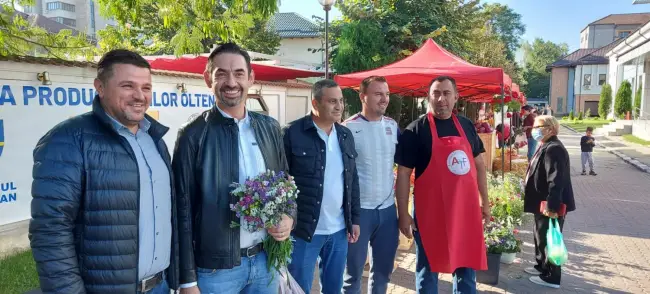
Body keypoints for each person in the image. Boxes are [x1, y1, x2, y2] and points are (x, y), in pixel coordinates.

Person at [29, 49, 179, 293]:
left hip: (160, 286)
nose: (139, 96)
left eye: (146, 87)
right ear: (100, 87)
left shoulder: (154, 139)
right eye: (128, 86)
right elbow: (50, 231)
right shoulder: (68, 139)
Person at [173, 43, 292, 294]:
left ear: (251, 78)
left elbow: (286, 184)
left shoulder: (269, 128)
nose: (231, 82)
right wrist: (187, 280)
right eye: (221, 74)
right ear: (208, 79)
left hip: (265, 262)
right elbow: (180, 211)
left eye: (238, 73)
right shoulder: (193, 135)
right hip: (216, 272)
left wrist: (288, 217)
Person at [395, 76, 490, 293]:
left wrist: (484, 202)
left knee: (466, 269)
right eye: (436, 93)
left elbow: (479, 166)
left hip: (465, 212)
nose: (441, 99)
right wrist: (403, 213)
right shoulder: (415, 130)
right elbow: (403, 174)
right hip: (430, 216)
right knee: (427, 271)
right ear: (428, 96)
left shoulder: (465, 125)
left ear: (456, 97)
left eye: (446, 93)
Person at [284, 79, 361, 294]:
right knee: (298, 289)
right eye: (332, 101)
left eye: (341, 101)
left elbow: (352, 180)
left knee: (333, 290)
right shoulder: (292, 133)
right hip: (303, 231)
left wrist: (354, 219)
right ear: (315, 104)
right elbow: (280, 181)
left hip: (338, 231)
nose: (339, 107)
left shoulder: (345, 135)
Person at [342, 76, 400, 294]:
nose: (384, 99)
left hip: (387, 213)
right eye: (378, 94)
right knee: (352, 275)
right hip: (359, 213)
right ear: (362, 96)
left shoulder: (393, 126)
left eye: (386, 94)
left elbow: (405, 165)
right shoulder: (347, 128)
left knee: (383, 273)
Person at [523, 115, 575, 289]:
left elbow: (556, 180)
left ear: (550, 128)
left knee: (550, 239)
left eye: (538, 126)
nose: (534, 129)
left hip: (550, 203)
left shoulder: (554, 149)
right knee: (540, 235)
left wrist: (552, 206)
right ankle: (541, 266)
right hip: (541, 202)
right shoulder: (545, 145)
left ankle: (552, 276)